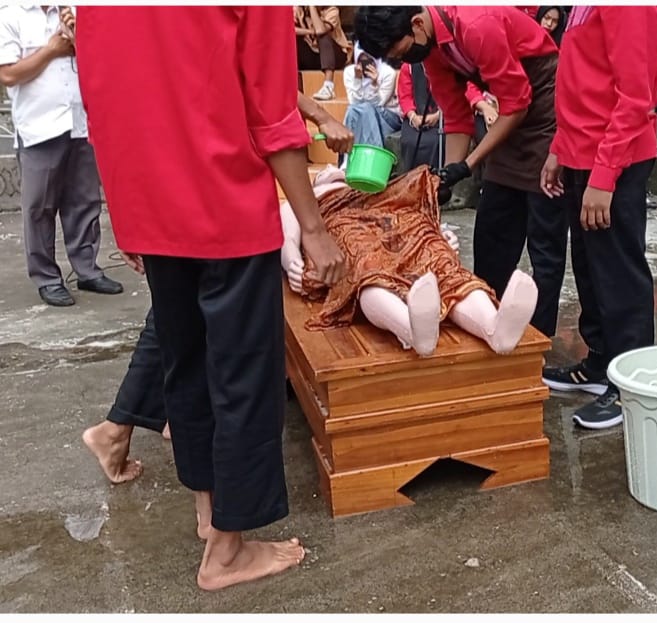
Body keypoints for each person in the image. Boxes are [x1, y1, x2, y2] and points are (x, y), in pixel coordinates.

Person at [77, 6, 346, 591]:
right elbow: (273, 112)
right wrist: (314, 227)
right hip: (226, 205)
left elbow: (101, 98)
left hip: (153, 202)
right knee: (244, 378)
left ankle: (209, 514)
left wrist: (127, 212)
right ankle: (226, 552)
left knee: (188, 364)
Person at [81, 92, 353, 488]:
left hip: (171, 176)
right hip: (208, 180)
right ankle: (130, 430)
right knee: (198, 321)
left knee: (179, 317)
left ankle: (131, 426)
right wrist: (313, 229)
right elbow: (264, 88)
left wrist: (126, 213)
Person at [353, 6, 568, 339]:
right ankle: (488, 322)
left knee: (544, 234)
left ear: (417, 24)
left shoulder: (477, 24)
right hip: (510, 112)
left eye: (403, 52)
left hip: (546, 109)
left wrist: (468, 164)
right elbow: (455, 115)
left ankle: (537, 341)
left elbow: (518, 104)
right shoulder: (429, 48)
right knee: (493, 228)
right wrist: (447, 175)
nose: (406, 60)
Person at [540, 6, 657, 429]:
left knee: (618, 272)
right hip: (582, 151)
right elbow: (579, 80)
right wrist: (560, 148)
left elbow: (635, 97)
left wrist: (605, 174)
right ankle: (601, 362)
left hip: (615, 156)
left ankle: (631, 381)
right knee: (590, 266)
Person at [286, 166, 539, 356]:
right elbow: (288, 234)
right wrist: (292, 261)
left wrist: (439, 233)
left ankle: (495, 329)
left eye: (339, 167)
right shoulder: (307, 199)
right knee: (367, 266)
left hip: (398, 220)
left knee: (441, 261)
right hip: (343, 225)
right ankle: (412, 328)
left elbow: (418, 211)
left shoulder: (383, 189)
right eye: (325, 170)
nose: (333, 168)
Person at [0, 5, 124, 307]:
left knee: (85, 202)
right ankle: (47, 278)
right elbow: (8, 74)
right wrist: (52, 51)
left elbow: (103, 61)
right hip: (39, 126)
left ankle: (87, 270)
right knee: (39, 208)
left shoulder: (72, 10)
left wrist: (80, 38)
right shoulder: (10, 13)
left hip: (79, 121)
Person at [342, 48, 401, 150]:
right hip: (363, 112)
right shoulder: (349, 72)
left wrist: (374, 84)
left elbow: (378, 104)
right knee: (352, 110)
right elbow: (354, 103)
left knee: (365, 109)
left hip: (387, 116)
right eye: (361, 60)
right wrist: (357, 80)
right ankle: (352, 154)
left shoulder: (388, 72)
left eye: (370, 60)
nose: (366, 64)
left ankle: (364, 152)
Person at [295, 5, 351, 101]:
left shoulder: (332, 10)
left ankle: (328, 86)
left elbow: (320, 30)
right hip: (314, 54)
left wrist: (312, 7)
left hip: (335, 56)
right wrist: (309, 31)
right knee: (292, 39)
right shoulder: (300, 11)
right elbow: (290, 29)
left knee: (323, 35)